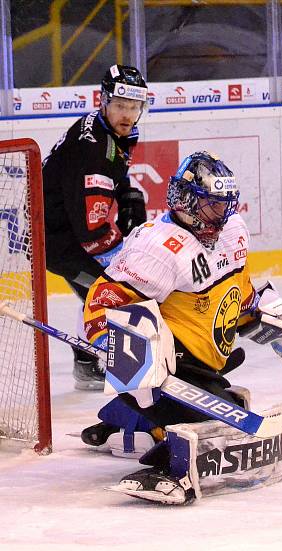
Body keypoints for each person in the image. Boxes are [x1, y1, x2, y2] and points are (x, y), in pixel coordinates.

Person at [78, 151, 282, 502]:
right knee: (222, 426)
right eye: (213, 206)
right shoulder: (156, 247)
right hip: (169, 371)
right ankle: (156, 443)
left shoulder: (233, 231)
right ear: (186, 201)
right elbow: (100, 305)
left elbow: (239, 296)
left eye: (226, 205)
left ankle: (125, 424)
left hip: (205, 363)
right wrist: (128, 348)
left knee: (229, 413)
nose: (223, 215)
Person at [42, 64, 149, 390]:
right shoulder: (94, 151)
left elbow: (113, 169)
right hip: (57, 241)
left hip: (62, 226)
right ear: (103, 100)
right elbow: (91, 232)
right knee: (107, 289)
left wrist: (127, 192)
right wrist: (128, 257)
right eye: (120, 105)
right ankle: (88, 362)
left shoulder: (108, 129)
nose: (128, 114)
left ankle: (89, 361)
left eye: (134, 106)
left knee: (106, 286)